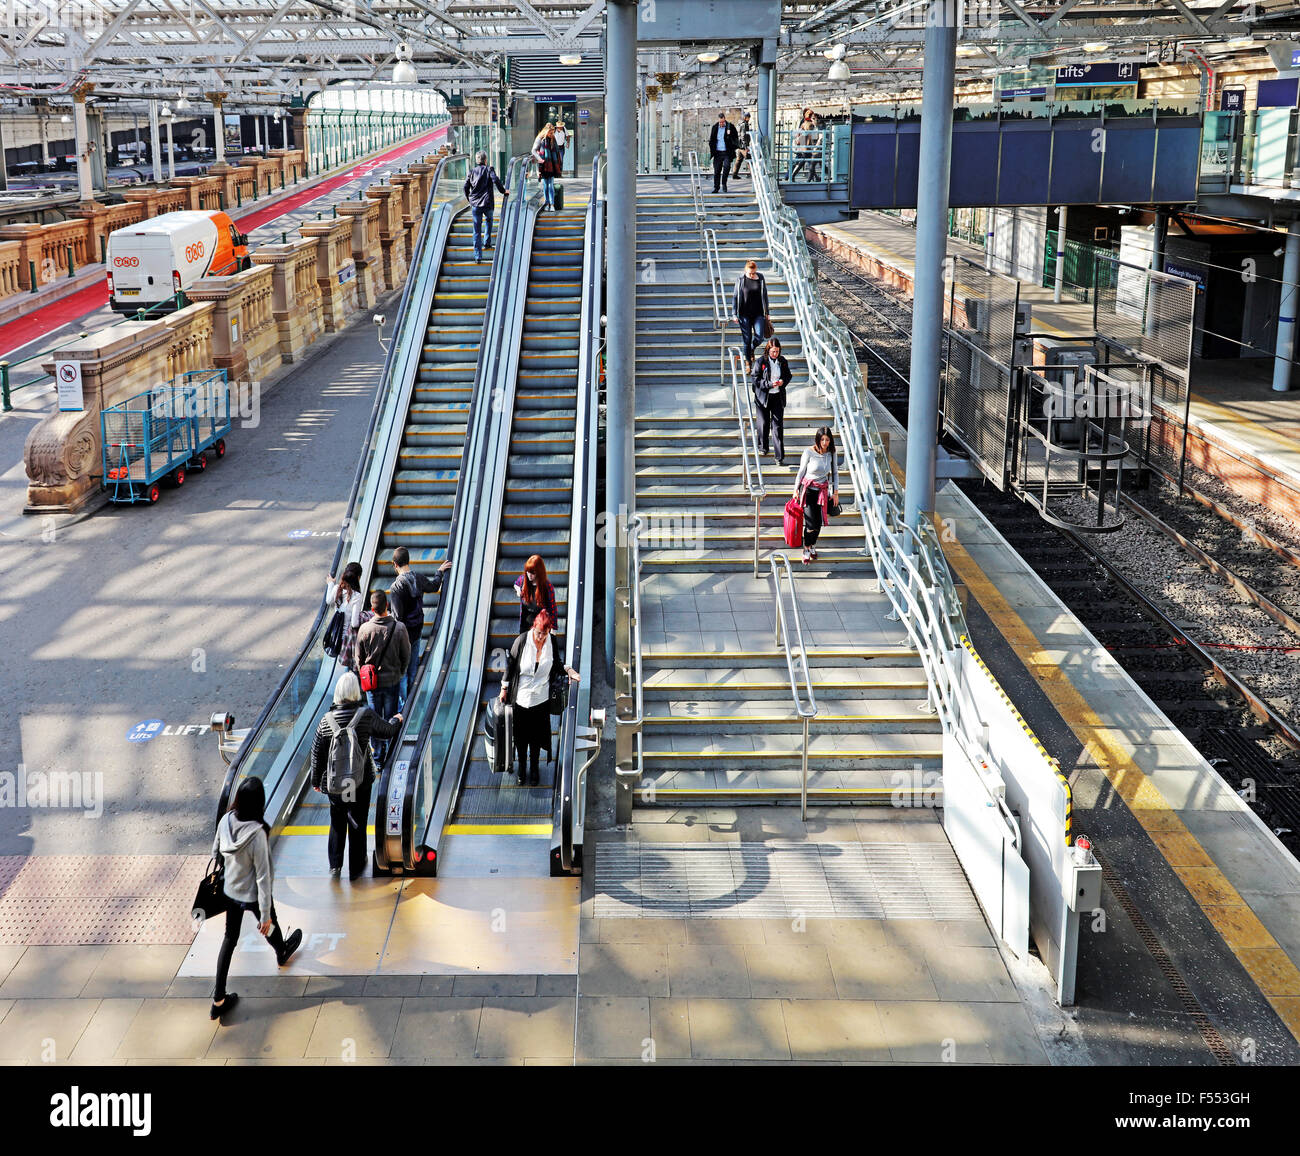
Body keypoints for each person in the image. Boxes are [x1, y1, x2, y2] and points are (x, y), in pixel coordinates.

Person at [210, 778, 302, 1020]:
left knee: (229, 939)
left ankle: (218, 999)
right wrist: (264, 915)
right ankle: (281, 950)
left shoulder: (226, 820)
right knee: (271, 923)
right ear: (259, 803)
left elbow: (215, 851)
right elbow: (263, 877)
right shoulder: (257, 834)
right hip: (251, 894)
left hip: (230, 890)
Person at [310, 671, 402, 880]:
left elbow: (317, 753)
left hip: (335, 784)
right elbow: (386, 731)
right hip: (360, 781)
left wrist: (316, 781)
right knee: (358, 820)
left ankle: (335, 865)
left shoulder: (326, 721)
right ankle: (357, 865)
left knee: (337, 821)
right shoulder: (364, 715)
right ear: (355, 691)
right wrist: (397, 720)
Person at [499, 610, 579, 786]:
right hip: (521, 698)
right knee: (521, 738)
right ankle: (521, 767)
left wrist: (569, 670)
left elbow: (556, 664)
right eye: (538, 633)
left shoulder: (552, 641)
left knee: (535, 738)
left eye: (544, 633)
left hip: (541, 699)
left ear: (549, 630)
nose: (541, 637)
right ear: (533, 627)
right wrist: (504, 689)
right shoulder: (521, 641)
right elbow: (510, 666)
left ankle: (534, 768)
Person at [388, 546, 452, 708]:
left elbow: (397, 618)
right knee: (413, 668)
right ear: (408, 560)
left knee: (402, 672)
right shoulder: (418, 577)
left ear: (395, 564)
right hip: (417, 631)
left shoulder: (396, 587)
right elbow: (434, 586)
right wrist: (439, 572)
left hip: (403, 636)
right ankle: (414, 703)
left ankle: (404, 706)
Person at [352, 590, 410, 762]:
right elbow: (406, 656)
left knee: (374, 720)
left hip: (372, 684)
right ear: (387, 605)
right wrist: (400, 673)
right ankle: (392, 752)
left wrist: (365, 673)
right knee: (391, 717)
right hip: (392, 681)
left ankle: (377, 757)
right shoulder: (399, 628)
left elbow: (358, 659)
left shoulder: (364, 629)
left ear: (372, 608)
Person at [793, 426, 839, 565]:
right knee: (811, 523)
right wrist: (795, 489)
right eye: (822, 439)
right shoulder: (809, 452)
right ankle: (806, 548)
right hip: (808, 490)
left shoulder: (832, 453)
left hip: (823, 491)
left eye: (827, 440)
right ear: (817, 439)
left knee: (818, 524)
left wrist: (835, 492)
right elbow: (801, 472)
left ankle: (812, 545)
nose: (824, 442)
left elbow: (835, 473)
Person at [752, 336, 793, 467]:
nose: (775, 354)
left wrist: (782, 382)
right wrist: (769, 384)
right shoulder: (760, 362)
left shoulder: (782, 361)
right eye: (773, 351)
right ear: (768, 350)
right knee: (763, 424)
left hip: (777, 397)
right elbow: (755, 379)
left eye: (777, 351)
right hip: (763, 397)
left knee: (777, 427)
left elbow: (788, 375)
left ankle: (779, 456)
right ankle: (763, 446)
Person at [463, 151, 508, 263]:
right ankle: (487, 242)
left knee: (476, 230)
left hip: (476, 205)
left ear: (477, 161)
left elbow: (465, 186)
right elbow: (496, 180)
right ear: (486, 160)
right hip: (488, 203)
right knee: (489, 220)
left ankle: (478, 256)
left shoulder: (472, 171)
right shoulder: (489, 169)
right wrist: (503, 191)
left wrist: (470, 199)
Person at [325, 561, 364, 670]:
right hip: (346, 641)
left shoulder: (337, 588)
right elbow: (354, 623)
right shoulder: (357, 596)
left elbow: (328, 601)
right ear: (358, 577)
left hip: (335, 636)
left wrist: (330, 584)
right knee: (349, 667)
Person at [732, 259, 771, 372]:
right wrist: (734, 313)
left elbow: (765, 296)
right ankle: (748, 362)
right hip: (744, 315)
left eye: (754, 273)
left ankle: (751, 349)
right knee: (747, 339)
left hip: (758, 313)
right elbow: (735, 296)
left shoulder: (761, 278)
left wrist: (767, 312)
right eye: (750, 273)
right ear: (746, 271)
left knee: (759, 337)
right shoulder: (741, 279)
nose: (752, 275)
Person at [514, 554, 558, 633]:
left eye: (532, 573)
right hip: (526, 617)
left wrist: (553, 628)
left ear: (539, 572)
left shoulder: (547, 586)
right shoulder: (524, 579)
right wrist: (518, 590)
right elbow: (516, 584)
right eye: (528, 572)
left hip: (540, 618)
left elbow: (552, 608)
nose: (529, 575)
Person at [707, 111, 739, 194]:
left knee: (727, 167)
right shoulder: (715, 127)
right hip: (717, 153)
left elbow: (736, 138)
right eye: (720, 122)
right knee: (717, 171)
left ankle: (724, 183)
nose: (721, 124)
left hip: (726, 152)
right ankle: (716, 187)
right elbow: (712, 139)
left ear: (725, 120)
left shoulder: (730, 126)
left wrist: (733, 146)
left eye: (722, 122)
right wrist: (712, 148)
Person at [533, 124, 562, 211]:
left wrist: (558, 164)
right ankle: (547, 203)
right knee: (545, 185)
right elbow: (533, 150)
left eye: (552, 132)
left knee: (550, 185)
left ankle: (552, 204)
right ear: (546, 131)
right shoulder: (540, 139)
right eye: (550, 132)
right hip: (544, 165)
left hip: (552, 165)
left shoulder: (553, 139)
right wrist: (539, 159)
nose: (551, 134)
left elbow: (556, 151)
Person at [732, 112, 752, 180]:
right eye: (748, 117)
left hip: (738, 146)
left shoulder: (738, 124)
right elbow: (743, 136)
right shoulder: (744, 125)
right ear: (746, 117)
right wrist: (746, 147)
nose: (749, 119)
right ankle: (754, 175)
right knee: (749, 160)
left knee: (738, 160)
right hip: (743, 146)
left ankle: (734, 174)